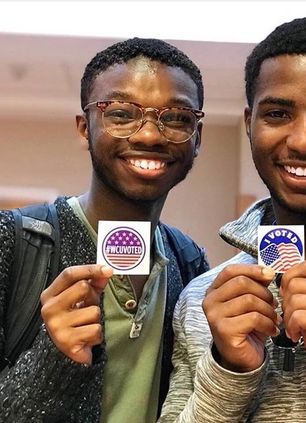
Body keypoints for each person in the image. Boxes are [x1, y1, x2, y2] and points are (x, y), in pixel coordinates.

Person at [159, 17, 306, 422]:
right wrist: (228, 370)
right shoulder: (202, 297)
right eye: (278, 114)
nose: (304, 141)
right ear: (250, 124)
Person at [0, 37, 209, 422]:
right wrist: (54, 357)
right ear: (85, 128)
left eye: (177, 117)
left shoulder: (190, 262)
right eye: (121, 113)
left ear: (197, 138)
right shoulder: (14, 241)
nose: (149, 134)